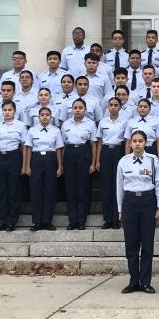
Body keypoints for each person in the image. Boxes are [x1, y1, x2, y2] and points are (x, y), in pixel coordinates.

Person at [117, 129, 159, 294]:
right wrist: (120, 209)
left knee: (147, 244)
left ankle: (145, 281)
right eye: (134, 141)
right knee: (131, 244)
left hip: (147, 202)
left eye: (140, 141)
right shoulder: (123, 161)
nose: (137, 143)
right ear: (130, 143)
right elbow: (119, 187)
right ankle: (133, 281)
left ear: (146, 143)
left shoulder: (153, 160)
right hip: (129, 202)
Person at [0, 101, 30, 231]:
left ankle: (12, 220)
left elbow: (24, 147)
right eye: (5, 110)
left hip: (14, 157)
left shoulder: (21, 126)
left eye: (10, 110)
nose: (7, 112)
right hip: (0, 158)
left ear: (14, 112)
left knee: (13, 190)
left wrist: (23, 166)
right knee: (0, 191)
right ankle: (2, 219)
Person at [26, 106, 64, 231]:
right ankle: (37, 221)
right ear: (38, 116)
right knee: (36, 190)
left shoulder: (56, 131)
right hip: (36, 159)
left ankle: (47, 221)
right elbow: (29, 149)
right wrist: (27, 166)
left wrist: (59, 166)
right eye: (42, 114)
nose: (45, 117)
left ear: (51, 116)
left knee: (50, 190)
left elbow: (59, 149)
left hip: (50, 159)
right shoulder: (32, 130)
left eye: (47, 114)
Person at [61, 98, 97, 230]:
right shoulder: (65, 124)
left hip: (84, 152)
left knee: (82, 188)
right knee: (70, 189)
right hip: (70, 153)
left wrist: (93, 163)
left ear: (85, 110)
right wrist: (62, 163)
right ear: (72, 109)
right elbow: (63, 145)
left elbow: (94, 144)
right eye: (75, 108)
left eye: (80, 108)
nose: (77, 110)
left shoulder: (91, 124)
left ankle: (81, 221)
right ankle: (72, 220)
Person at [97, 96, 128, 229]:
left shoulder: (125, 121)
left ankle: (117, 218)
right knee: (106, 187)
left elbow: (127, 140)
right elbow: (99, 141)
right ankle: (107, 218)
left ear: (120, 107)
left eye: (116, 105)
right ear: (108, 107)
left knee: (117, 186)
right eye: (111, 105)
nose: (113, 107)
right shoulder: (103, 122)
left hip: (118, 151)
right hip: (105, 152)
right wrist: (97, 160)